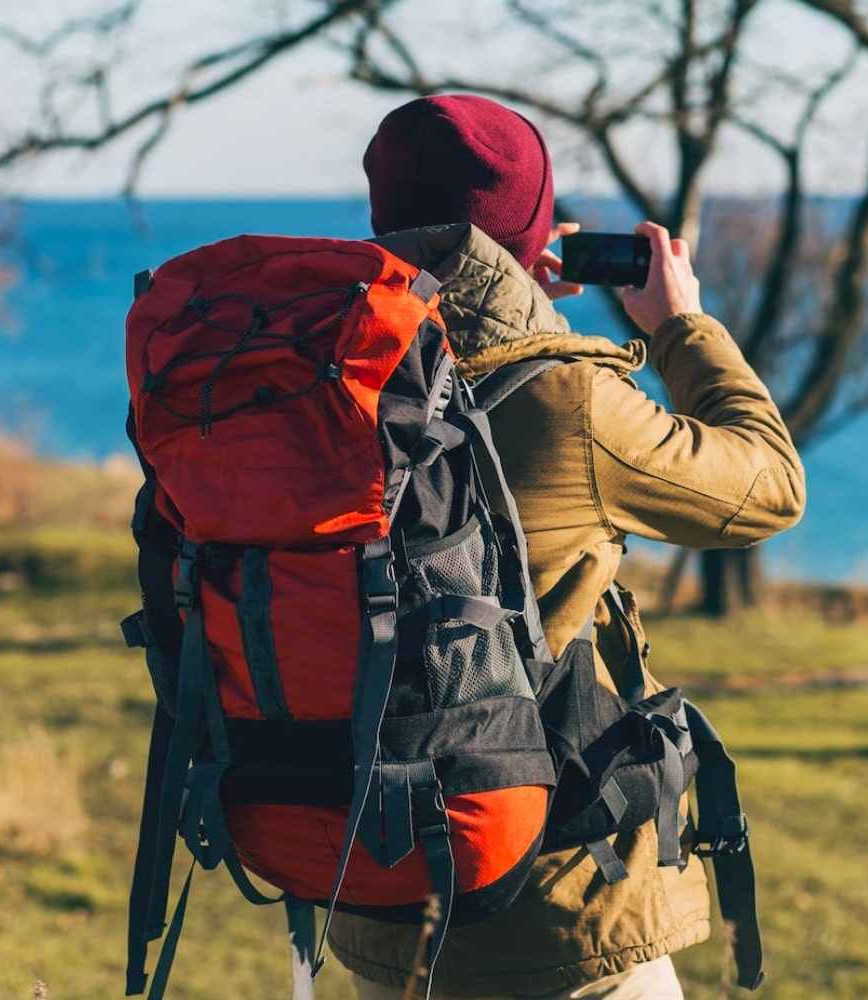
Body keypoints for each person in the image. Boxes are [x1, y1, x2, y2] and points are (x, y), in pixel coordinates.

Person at [334, 93, 806, 1000]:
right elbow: (768, 486)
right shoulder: (567, 401)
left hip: (380, 895)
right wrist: (678, 326)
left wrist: (507, 304)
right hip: (557, 909)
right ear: (531, 236)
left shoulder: (335, 380)